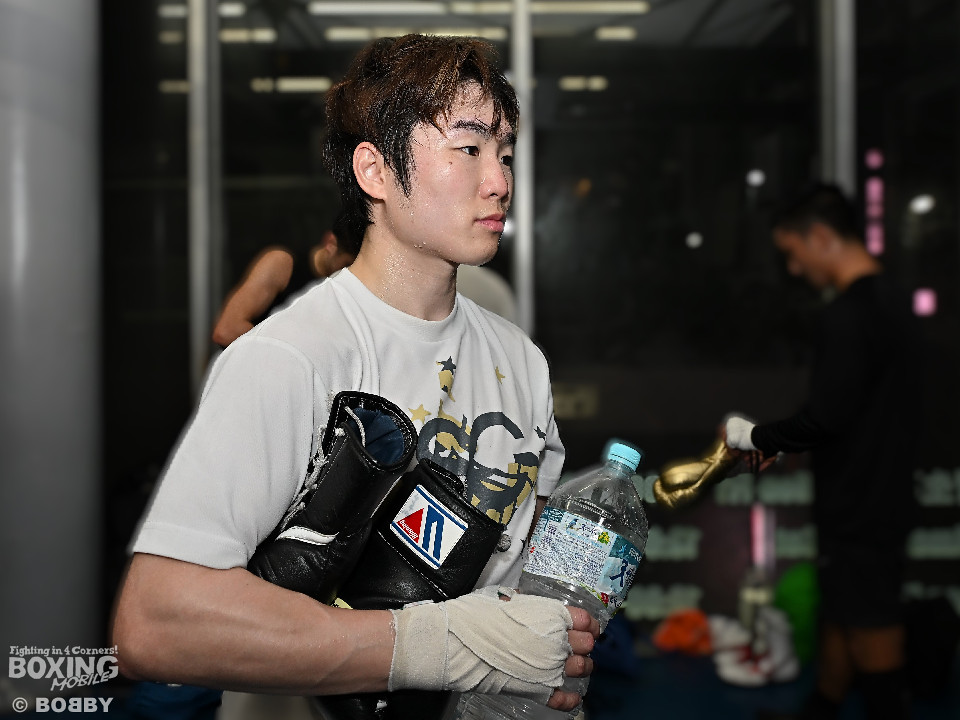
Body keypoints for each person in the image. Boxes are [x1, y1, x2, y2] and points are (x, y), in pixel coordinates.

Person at [111, 33, 598, 716]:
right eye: (468, 148)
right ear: (375, 171)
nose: (500, 181)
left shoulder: (520, 360)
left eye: (506, 153)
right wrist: (442, 645)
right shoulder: (293, 357)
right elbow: (155, 625)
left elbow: (523, 552)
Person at [722, 183, 922, 720]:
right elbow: (857, 410)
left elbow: (827, 417)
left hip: (862, 502)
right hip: (883, 489)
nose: (793, 268)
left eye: (793, 252)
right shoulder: (895, 301)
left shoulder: (848, 316)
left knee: (871, 627)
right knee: (842, 612)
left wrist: (755, 439)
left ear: (821, 237)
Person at [211, 214, 357, 348]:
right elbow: (226, 331)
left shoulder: (344, 288)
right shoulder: (281, 264)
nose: (351, 273)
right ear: (330, 243)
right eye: (346, 265)